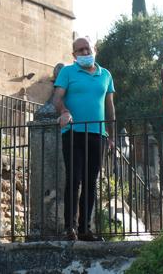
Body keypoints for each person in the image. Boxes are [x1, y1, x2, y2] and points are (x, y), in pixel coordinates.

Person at [53, 37, 116, 241]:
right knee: (74, 179)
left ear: (93, 49)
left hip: (98, 135)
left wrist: (112, 136)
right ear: (74, 55)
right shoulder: (67, 72)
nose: (83, 52)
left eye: (86, 48)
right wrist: (63, 111)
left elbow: (110, 108)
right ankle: (69, 228)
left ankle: (85, 229)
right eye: (78, 50)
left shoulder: (105, 75)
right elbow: (57, 97)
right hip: (73, 132)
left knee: (91, 182)